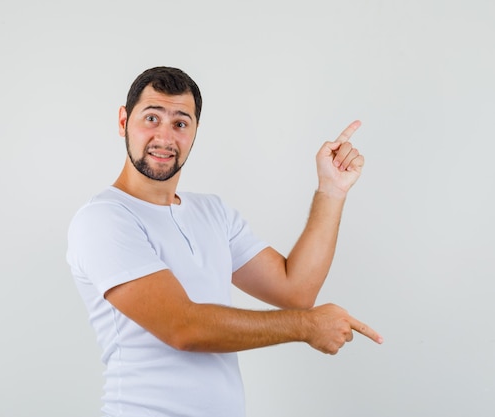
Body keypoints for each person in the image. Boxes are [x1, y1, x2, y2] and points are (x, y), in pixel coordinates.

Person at [67, 66, 382, 417]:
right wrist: (306, 327)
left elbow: (296, 291)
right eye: (152, 118)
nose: (165, 137)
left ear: (195, 131)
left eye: (180, 123)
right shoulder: (104, 218)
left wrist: (331, 190)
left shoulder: (212, 212)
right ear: (124, 121)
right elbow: (182, 327)